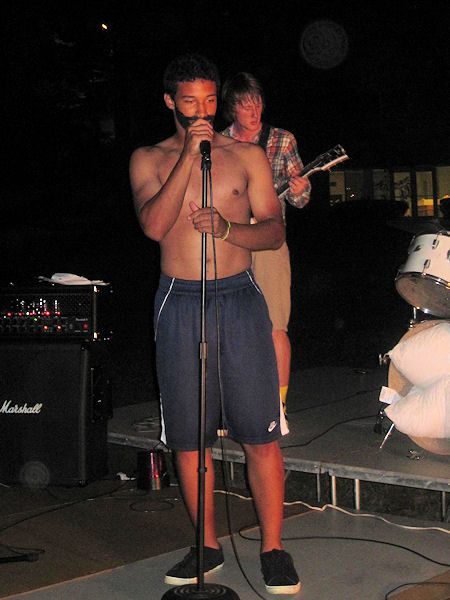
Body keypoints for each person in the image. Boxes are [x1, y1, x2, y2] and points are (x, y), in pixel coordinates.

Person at [129, 54, 300, 594]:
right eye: (190, 102)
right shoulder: (148, 158)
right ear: (170, 102)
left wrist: (227, 229)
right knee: (189, 436)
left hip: (239, 297)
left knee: (260, 434)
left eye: (209, 101)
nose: (202, 111)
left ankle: (273, 548)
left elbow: (273, 230)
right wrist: (187, 155)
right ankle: (206, 545)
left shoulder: (246, 155)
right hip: (179, 301)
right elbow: (155, 225)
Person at [221, 72, 311, 419]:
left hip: (270, 243)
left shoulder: (282, 140)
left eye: (257, 103)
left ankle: (278, 406)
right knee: (230, 327)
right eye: (246, 105)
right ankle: (232, 406)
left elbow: (301, 200)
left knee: (275, 325)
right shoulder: (219, 143)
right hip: (230, 241)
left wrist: (301, 189)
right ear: (232, 108)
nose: (254, 111)